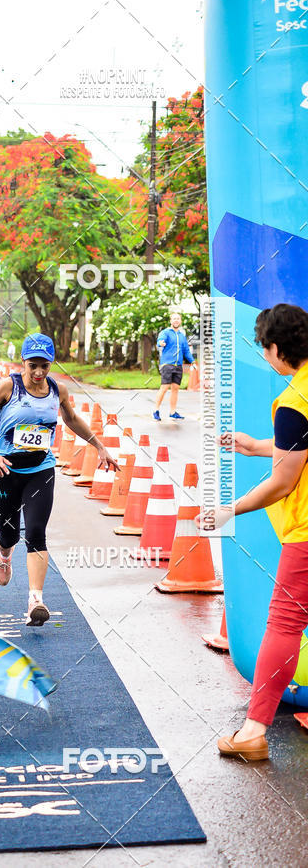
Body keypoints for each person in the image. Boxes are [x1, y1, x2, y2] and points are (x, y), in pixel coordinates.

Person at [197, 303, 308, 762]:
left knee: (284, 624)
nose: (264, 356)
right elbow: (296, 447)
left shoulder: (294, 401)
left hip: (306, 535)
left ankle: (253, 731)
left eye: (264, 348)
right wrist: (256, 445)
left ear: (278, 348)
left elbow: (283, 481)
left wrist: (229, 509)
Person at [0, 333, 118, 626]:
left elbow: (71, 418)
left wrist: (99, 446)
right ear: (23, 362)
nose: (38, 372)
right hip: (5, 470)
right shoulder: (7, 387)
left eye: (44, 366)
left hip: (41, 470)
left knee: (36, 532)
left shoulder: (57, 390)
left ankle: (35, 600)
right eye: (32, 365)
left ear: (51, 364)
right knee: (9, 533)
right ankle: (4, 553)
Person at [153, 312, 197, 421]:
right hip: (167, 364)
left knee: (175, 388)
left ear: (180, 321)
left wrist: (192, 361)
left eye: (178, 318)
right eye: (174, 318)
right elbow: (160, 340)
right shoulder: (166, 332)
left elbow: (186, 351)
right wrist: (160, 343)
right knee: (164, 387)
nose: (176, 320)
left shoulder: (182, 336)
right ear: (171, 321)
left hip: (178, 365)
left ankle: (172, 412)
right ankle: (156, 410)